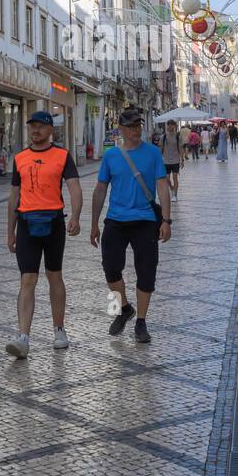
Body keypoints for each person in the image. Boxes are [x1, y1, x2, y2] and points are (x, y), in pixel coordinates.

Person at [90, 107, 172, 344]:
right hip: (116, 220)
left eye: (139, 125)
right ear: (122, 129)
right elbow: (100, 190)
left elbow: (162, 186)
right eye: (132, 126)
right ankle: (123, 308)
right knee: (110, 268)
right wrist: (94, 223)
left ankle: (141, 322)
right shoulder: (111, 156)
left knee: (146, 272)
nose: (137, 130)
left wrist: (165, 220)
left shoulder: (153, 153)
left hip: (145, 221)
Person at [6, 112, 82, 359]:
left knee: (54, 276)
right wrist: (10, 231)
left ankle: (59, 330)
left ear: (50, 130)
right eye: (32, 126)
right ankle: (23, 337)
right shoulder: (20, 158)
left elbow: (74, 188)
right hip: (27, 225)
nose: (35, 130)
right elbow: (14, 197)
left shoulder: (62, 156)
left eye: (40, 126)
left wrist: (76, 217)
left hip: (53, 224)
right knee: (27, 280)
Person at [159, 120, 183, 202]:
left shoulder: (177, 137)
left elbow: (180, 148)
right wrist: (159, 158)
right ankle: (171, 188)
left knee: (175, 177)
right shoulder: (163, 137)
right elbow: (160, 148)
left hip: (176, 160)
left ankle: (175, 195)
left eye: (171, 125)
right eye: (168, 125)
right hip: (166, 160)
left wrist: (182, 159)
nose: (170, 127)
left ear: (174, 126)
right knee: (166, 178)